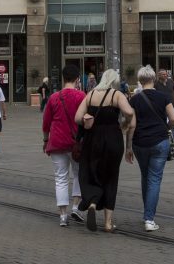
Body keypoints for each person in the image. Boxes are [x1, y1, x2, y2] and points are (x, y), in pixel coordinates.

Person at [74, 69, 134, 233]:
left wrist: (87, 118)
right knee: (111, 177)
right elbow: (129, 111)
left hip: (93, 139)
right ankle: (108, 223)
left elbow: (77, 117)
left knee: (93, 172)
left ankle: (92, 203)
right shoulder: (117, 95)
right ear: (115, 81)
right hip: (113, 138)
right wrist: (125, 123)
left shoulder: (91, 94)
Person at [128, 65, 174, 232]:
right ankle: (149, 218)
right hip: (159, 141)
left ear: (140, 80)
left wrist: (128, 147)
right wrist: (166, 127)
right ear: (154, 79)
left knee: (145, 176)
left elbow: (131, 124)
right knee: (154, 179)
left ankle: (147, 212)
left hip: (139, 143)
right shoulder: (163, 97)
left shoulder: (134, 100)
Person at [42, 64, 87, 227]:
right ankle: (76, 206)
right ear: (77, 79)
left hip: (57, 143)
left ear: (63, 78)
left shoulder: (54, 97)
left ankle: (62, 216)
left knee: (60, 178)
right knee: (78, 174)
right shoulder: (82, 96)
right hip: (76, 144)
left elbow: (46, 122)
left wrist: (45, 140)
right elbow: (85, 119)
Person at [154, 70, 174, 152]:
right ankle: (162, 143)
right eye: (163, 74)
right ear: (159, 75)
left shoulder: (171, 82)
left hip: (172, 106)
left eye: (166, 74)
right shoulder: (156, 84)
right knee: (161, 125)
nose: (165, 75)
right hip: (161, 107)